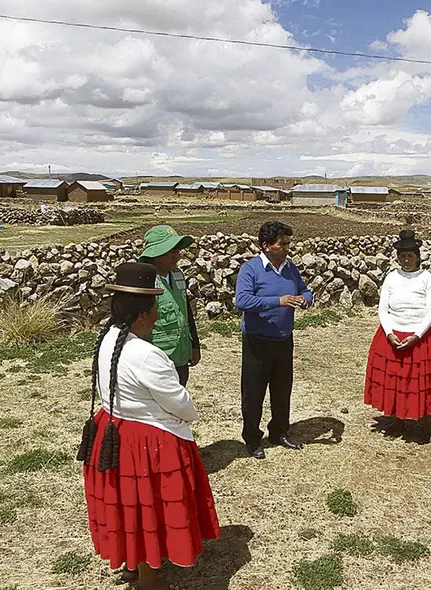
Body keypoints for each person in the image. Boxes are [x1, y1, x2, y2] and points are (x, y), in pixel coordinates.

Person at [77, 262, 220, 589]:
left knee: (127, 507)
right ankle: (148, 577)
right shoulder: (146, 354)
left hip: (112, 429)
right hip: (143, 442)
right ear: (143, 316)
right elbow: (180, 404)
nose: (158, 313)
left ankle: (132, 564)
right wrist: (190, 413)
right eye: (155, 307)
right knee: (146, 509)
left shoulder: (107, 339)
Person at [235, 221, 313, 460]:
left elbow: (305, 290)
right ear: (267, 246)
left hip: (283, 340)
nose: (288, 248)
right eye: (283, 244)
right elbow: (243, 301)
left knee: (282, 391)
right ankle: (252, 438)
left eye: (289, 243)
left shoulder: (291, 268)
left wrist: (306, 299)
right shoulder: (251, 269)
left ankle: (279, 432)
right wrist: (277, 301)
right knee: (254, 394)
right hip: (257, 342)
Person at [364, 229, 431, 442]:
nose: (406, 260)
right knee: (397, 379)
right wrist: (390, 333)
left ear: (418, 256)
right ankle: (398, 419)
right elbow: (383, 308)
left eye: (410, 256)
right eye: (402, 256)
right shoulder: (391, 278)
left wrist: (417, 335)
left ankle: (425, 422)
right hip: (393, 335)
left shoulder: (426, 278)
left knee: (422, 380)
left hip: (421, 338)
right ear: (397, 257)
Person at [138, 225, 201, 386]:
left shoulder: (178, 275)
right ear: (155, 253)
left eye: (177, 251)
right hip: (158, 358)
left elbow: (186, 312)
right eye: (171, 251)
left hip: (180, 355)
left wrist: (194, 345)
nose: (177, 256)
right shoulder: (144, 281)